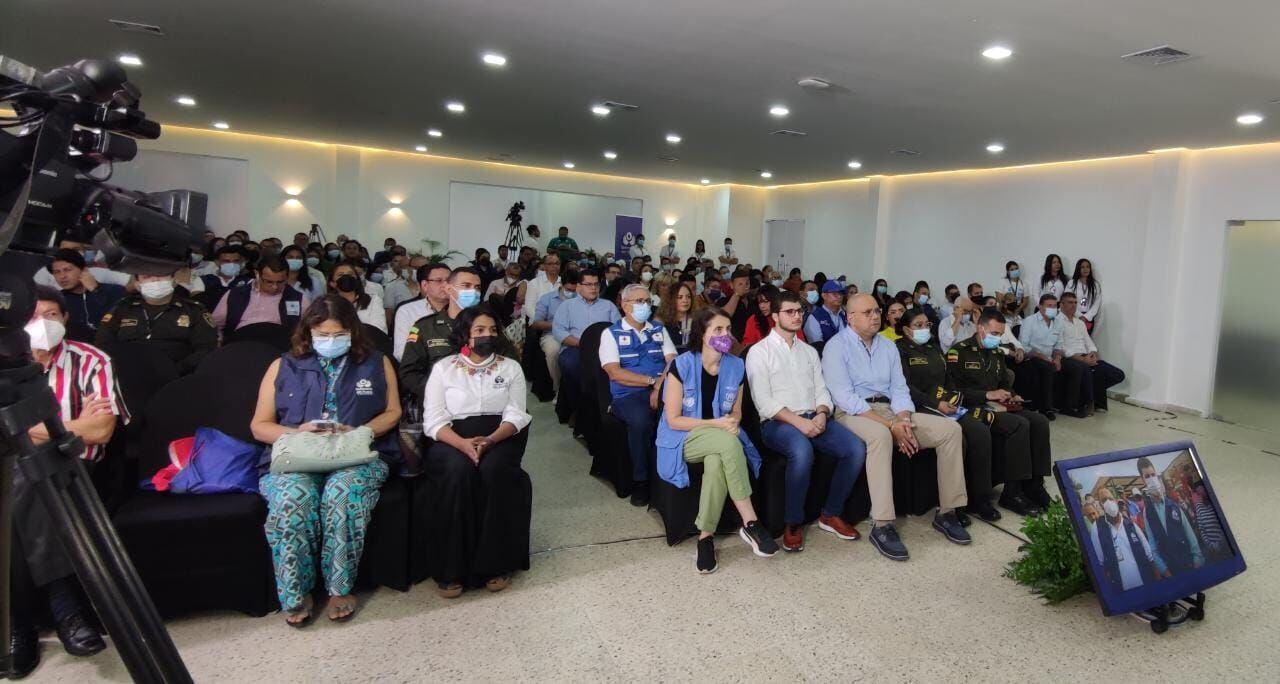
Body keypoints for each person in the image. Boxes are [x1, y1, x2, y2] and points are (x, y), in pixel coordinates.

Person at [250, 296, 402, 625]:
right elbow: (259, 426)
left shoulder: (376, 362)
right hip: (298, 456)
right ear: (308, 332)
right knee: (292, 499)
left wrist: (357, 431)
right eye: (322, 334)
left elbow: (393, 412)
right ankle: (297, 590)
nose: (330, 341)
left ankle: (339, 587)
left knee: (342, 495)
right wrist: (298, 432)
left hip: (356, 453)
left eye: (338, 334)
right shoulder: (283, 365)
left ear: (352, 331)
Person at [7, 288, 130, 674]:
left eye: (52, 315)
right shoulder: (6, 364)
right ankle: (65, 610)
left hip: (75, 470)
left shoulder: (91, 359)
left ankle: (19, 626)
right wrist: (64, 428)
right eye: (35, 315)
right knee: (21, 485)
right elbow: (80, 427)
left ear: (65, 319)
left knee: (30, 478)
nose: (43, 324)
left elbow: (101, 430)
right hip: (17, 472)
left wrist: (23, 428)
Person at [824, 294, 969, 560]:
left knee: (951, 430)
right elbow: (845, 397)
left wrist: (902, 419)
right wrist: (891, 425)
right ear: (850, 317)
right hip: (854, 413)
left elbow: (899, 389)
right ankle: (882, 524)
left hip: (891, 409)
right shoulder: (836, 347)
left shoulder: (888, 347)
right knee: (880, 436)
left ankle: (948, 511)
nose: (875, 316)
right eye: (867, 312)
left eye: (877, 311)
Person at [657, 308, 780, 572]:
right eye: (718, 330)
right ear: (702, 333)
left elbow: (736, 411)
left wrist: (733, 421)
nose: (726, 335)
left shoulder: (736, 365)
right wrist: (717, 424)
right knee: (727, 444)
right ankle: (751, 522)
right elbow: (673, 420)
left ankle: (705, 538)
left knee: (716, 461)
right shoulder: (682, 364)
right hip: (684, 438)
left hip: (720, 436)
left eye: (728, 329)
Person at [422, 306, 533, 597]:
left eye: (493, 330)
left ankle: (496, 564)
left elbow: (517, 414)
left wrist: (491, 440)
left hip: (499, 436)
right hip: (451, 438)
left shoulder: (511, 367)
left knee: (494, 471)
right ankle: (451, 569)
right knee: (457, 473)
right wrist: (462, 444)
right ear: (465, 335)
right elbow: (433, 419)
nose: (488, 336)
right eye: (479, 331)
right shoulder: (444, 368)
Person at [745, 291, 866, 553]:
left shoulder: (809, 351)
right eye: (790, 311)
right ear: (775, 316)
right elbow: (764, 402)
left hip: (815, 417)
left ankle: (830, 513)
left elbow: (822, 390)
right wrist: (799, 424)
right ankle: (793, 523)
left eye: (799, 311)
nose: (797, 316)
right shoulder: (759, 352)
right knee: (802, 450)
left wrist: (822, 413)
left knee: (855, 449)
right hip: (778, 423)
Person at [947, 308, 1055, 512]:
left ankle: (1034, 485)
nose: (997, 338)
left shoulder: (996, 353)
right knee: (1019, 425)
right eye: (994, 334)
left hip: (999, 405)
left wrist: (1012, 395)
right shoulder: (958, 352)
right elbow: (953, 391)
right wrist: (987, 395)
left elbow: (1005, 383)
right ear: (981, 329)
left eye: (1000, 334)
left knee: (1039, 422)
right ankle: (1012, 493)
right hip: (973, 407)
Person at [599, 284, 676, 506]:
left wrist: (659, 386)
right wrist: (652, 382)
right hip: (628, 395)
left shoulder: (659, 330)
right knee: (641, 422)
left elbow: (672, 361)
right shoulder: (610, 334)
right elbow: (615, 372)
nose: (645, 306)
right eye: (638, 301)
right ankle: (641, 480)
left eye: (647, 301)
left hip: (663, 389)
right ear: (624, 305)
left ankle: (671, 477)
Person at [94, 271, 217, 374]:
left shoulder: (194, 310)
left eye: (161, 274)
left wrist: (175, 370)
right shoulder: (122, 308)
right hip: (126, 375)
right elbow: (103, 344)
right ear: (137, 284)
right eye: (146, 277)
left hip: (178, 378)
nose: (155, 280)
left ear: (174, 280)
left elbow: (206, 349)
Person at [400, 267, 488, 403]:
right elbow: (409, 372)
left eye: (477, 287)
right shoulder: (425, 327)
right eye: (466, 286)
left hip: (482, 401)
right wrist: (438, 392)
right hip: (438, 404)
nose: (473, 292)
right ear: (448, 289)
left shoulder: (491, 325)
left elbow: (508, 364)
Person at [1018, 294, 1086, 418]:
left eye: (1055, 306)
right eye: (1049, 306)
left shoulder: (1058, 322)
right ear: (1040, 306)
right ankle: (1046, 408)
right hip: (1032, 357)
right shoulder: (1030, 321)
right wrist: (1040, 355)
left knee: (1076, 367)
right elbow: (1023, 345)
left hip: (1051, 356)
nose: (1052, 308)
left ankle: (1069, 406)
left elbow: (1059, 344)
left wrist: (1058, 358)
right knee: (1048, 368)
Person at [553, 269, 621, 390]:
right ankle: (577, 398)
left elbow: (619, 328)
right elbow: (559, 330)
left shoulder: (608, 305)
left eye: (596, 284)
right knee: (570, 363)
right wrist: (582, 343)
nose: (593, 288)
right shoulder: (567, 306)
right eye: (589, 284)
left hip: (604, 348)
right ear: (579, 287)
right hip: (576, 347)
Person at [1058, 291, 1124, 414]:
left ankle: (1093, 396)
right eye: (1070, 302)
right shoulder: (1057, 321)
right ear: (1061, 305)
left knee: (1117, 374)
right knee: (1092, 371)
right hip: (1071, 357)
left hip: (1086, 356)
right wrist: (1081, 359)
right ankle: (1093, 404)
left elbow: (1088, 341)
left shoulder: (1080, 322)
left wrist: (1093, 353)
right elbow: (1060, 345)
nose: (1073, 305)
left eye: (1075, 303)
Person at [1136, 457, 1204, 576]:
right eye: (1147, 477)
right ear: (1143, 480)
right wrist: (1166, 572)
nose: (1151, 479)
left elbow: (1190, 534)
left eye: (1153, 475)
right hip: (1171, 570)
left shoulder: (1173, 504)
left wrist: (1197, 560)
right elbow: (1153, 548)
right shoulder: (1147, 512)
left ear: (1157, 476)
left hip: (1189, 564)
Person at [212, 255, 307, 338]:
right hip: (239, 345)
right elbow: (215, 325)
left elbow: (310, 329)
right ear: (257, 274)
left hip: (279, 348)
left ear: (287, 277)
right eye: (269, 281)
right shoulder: (234, 294)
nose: (275, 287)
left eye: (280, 282)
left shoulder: (298, 299)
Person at [46, 248, 127, 342]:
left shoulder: (114, 290)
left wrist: (96, 290)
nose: (62, 276)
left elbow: (121, 319)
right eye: (57, 272)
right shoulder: (57, 301)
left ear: (84, 270)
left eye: (67, 270)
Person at [1089, 489, 1156, 591]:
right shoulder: (1097, 527)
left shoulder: (1129, 523)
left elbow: (1149, 554)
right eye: (1104, 500)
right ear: (1101, 505)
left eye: (1110, 498)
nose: (1108, 502)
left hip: (1145, 584)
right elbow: (1100, 563)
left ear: (1115, 500)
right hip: (1121, 590)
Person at [531, 270, 579, 394]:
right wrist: (558, 326)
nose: (572, 293)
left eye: (575, 290)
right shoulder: (547, 299)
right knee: (553, 351)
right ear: (561, 285)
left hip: (576, 334)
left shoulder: (580, 298)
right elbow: (536, 323)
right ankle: (559, 389)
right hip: (552, 334)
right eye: (569, 289)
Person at [393, 263, 450, 360]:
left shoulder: (462, 309)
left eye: (449, 281)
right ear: (425, 285)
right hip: (421, 369)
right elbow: (401, 352)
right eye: (439, 281)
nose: (445, 285)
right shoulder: (407, 311)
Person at [329, 260, 387, 333]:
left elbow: (378, 329)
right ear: (332, 283)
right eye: (340, 275)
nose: (346, 277)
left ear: (357, 279)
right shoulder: (327, 304)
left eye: (350, 274)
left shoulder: (373, 300)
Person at [655, 280, 701, 352]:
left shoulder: (697, 320)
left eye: (688, 297)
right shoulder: (660, 321)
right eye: (680, 297)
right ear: (670, 299)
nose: (685, 300)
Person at [802, 280, 847, 348]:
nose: (839, 297)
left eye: (841, 293)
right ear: (824, 295)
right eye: (834, 294)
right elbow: (818, 347)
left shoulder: (845, 315)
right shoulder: (815, 317)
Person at [520, 253, 562, 321]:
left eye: (557, 263)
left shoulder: (564, 283)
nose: (554, 266)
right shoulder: (534, 283)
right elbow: (529, 308)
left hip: (561, 323)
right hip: (537, 323)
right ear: (545, 266)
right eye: (550, 264)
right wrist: (541, 320)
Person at [1065, 258, 1102, 334]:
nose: (1086, 269)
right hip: (1073, 315)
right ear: (1078, 269)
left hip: (1088, 318)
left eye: (1088, 267)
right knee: (1073, 340)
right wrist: (1078, 315)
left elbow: (1097, 303)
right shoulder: (1071, 283)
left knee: (1086, 341)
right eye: (1082, 267)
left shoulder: (1095, 285)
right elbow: (1067, 300)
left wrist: (1086, 317)